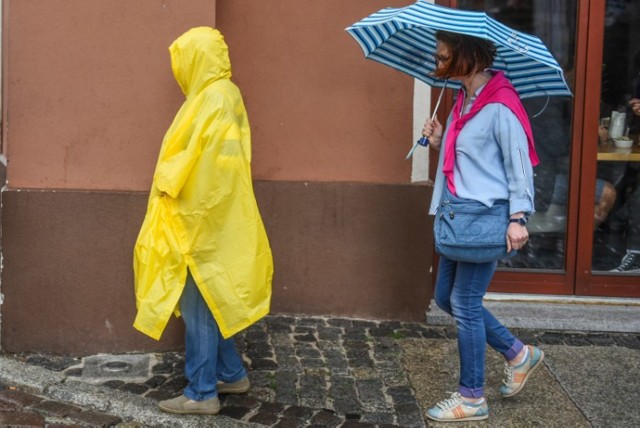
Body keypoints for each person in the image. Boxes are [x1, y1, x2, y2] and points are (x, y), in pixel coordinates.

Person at [132, 27, 274, 415]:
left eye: (183, 60)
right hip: (215, 215)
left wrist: (167, 183)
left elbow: (206, 161)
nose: (179, 70)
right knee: (210, 300)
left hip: (199, 219)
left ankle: (201, 393)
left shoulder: (212, 99)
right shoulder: (221, 94)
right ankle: (230, 373)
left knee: (198, 307)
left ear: (196, 59)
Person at [420, 31, 544, 422]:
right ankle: (518, 353)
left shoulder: (501, 105)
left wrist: (518, 218)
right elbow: (472, 160)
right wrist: (440, 139)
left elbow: (518, 164)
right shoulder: (465, 99)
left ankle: (471, 397)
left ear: (467, 58)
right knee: (446, 298)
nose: (437, 64)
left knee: (466, 304)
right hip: (459, 214)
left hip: (485, 216)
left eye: (443, 57)